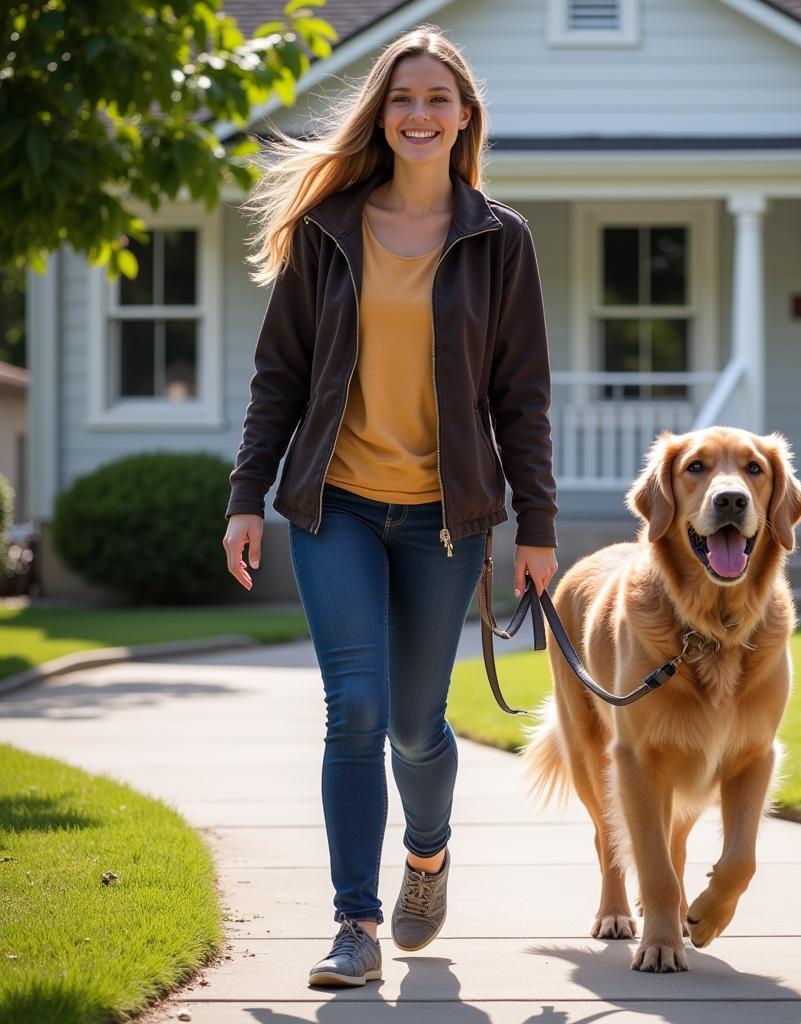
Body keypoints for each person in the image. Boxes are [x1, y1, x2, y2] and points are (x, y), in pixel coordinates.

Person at [221, 24, 558, 989]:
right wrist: (248, 497)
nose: (419, 114)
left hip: (446, 519)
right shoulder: (330, 227)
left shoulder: (501, 241)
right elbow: (278, 375)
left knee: (418, 724)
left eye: (438, 100)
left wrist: (536, 527)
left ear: (464, 119)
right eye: (402, 98)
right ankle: (354, 925)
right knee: (355, 710)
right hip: (336, 509)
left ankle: (428, 856)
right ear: (383, 113)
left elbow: (521, 396)